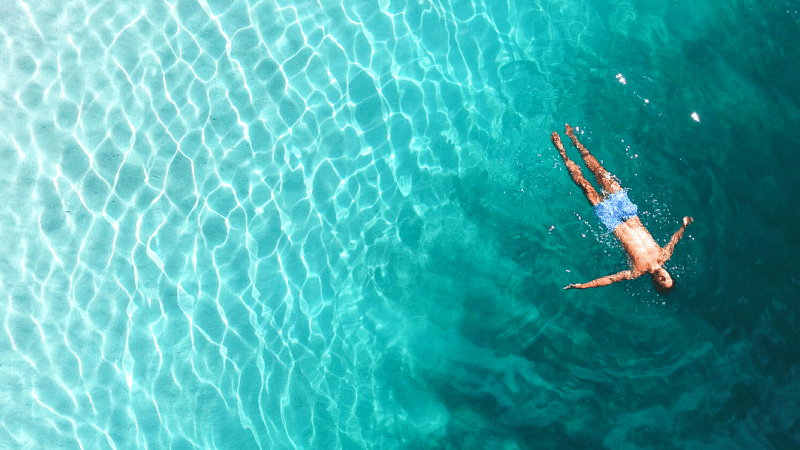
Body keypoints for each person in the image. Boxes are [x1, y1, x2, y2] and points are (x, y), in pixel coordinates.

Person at [550, 124, 693, 292]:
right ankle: (574, 140)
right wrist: (684, 225)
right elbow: (674, 240)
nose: (664, 278)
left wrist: (583, 285)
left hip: (612, 222)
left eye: (662, 282)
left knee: (585, 185)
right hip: (629, 213)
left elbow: (610, 279)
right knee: (602, 174)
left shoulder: (637, 271)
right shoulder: (664, 255)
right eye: (668, 279)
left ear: (656, 283)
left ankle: (562, 151)